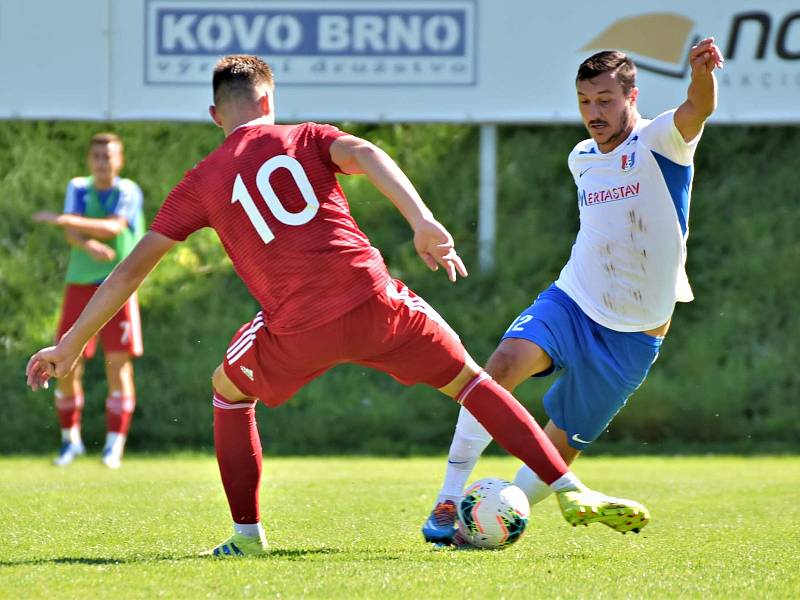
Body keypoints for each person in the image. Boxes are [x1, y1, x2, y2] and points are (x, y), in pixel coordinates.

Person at [27, 54, 649, 557]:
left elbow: (130, 268)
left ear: (216, 114)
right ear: (270, 102)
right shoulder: (307, 136)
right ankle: (568, 488)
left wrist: (72, 342)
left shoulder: (200, 181)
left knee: (228, 391)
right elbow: (370, 155)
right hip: (376, 303)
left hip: (296, 329)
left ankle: (247, 537)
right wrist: (425, 223)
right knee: (472, 382)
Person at [422, 39, 724, 545]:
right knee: (501, 365)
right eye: (585, 101)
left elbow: (700, 108)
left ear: (632, 95)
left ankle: (496, 520)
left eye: (605, 100)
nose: (594, 113)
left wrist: (702, 73)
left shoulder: (660, 141)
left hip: (634, 335)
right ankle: (450, 500)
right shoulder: (581, 156)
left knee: (558, 445)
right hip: (574, 301)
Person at [32, 133, 144, 469]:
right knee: (65, 363)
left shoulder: (128, 190)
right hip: (79, 284)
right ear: (88, 160)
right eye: (96, 156)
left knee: (118, 365)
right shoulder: (78, 187)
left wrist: (64, 221)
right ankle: (70, 442)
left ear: (119, 160)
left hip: (118, 285)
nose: (102, 162)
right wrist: (86, 243)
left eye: (108, 156)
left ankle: (113, 447)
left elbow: (113, 229)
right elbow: (75, 233)